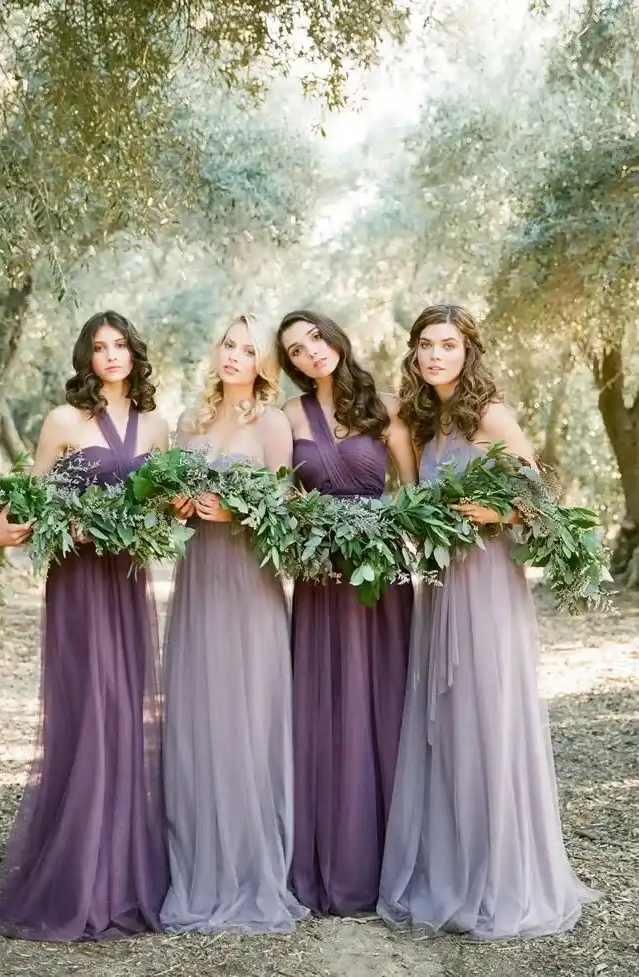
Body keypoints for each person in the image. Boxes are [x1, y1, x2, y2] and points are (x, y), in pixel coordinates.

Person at [378, 303, 599, 940]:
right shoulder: (425, 421)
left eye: (447, 344)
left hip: (489, 588)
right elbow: (416, 496)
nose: (435, 355)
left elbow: (536, 504)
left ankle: (501, 876)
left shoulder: (490, 415)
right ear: (415, 354)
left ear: (466, 351)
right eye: (425, 345)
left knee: (487, 715)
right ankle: (453, 865)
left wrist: (491, 515)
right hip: (444, 587)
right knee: (446, 723)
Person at [0, 311, 169, 941]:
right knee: (88, 712)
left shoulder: (159, 427)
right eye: (99, 347)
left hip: (127, 584)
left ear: (135, 355)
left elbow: (162, 514)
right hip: (79, 584)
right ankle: (75, 874)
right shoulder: (63, 421)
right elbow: (26, 507)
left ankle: (120, 873)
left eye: (120, 345)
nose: (111, 355)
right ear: (86, 357)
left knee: (125, 715)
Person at [160, 313, 308, 934]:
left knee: (247, 717)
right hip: (197, 581)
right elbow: (161, 499)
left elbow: (290, 511)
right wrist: (174, 503)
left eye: (249, 349)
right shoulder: (188, 423)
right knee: (199, 717)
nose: (235, 355)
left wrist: (237, 510)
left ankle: (250, 868)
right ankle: (198, 863)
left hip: (249, 585)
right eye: (228, 343)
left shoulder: (273, 423)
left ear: (262, 363)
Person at [277, 310, 416, 916]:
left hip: (379, 576)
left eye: (315, 340)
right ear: (288, 365)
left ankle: (391, 859)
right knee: (323, 703)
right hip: (319, 578)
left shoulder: (387, 406)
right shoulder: (287, 416)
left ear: (335, 338)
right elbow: (280, 496)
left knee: (382, 697)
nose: (310, 355)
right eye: (295, 351)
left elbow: (411, 494)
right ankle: (329, 857)